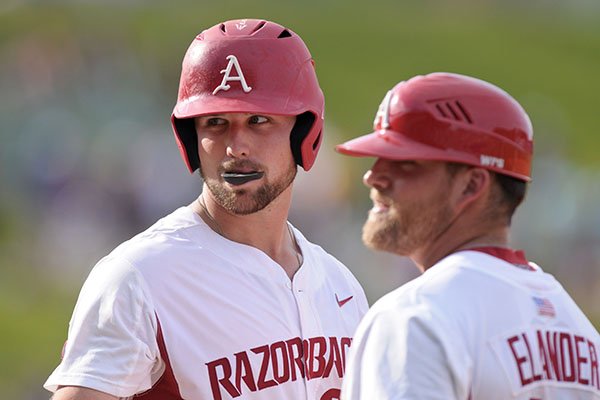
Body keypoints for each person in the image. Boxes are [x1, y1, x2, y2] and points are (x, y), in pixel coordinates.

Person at [44, 18, 368, 400]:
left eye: (259, 120)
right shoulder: (139, 276)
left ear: (304, 133)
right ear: (190, 138)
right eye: (215, 122)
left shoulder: (340, 285)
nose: (236, 146)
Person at [336, 72, 600, 399]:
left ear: (472, 185)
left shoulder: (417, 317)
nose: (373, 176)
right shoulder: (580, 333)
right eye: (379, 160)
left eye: (405, 163)